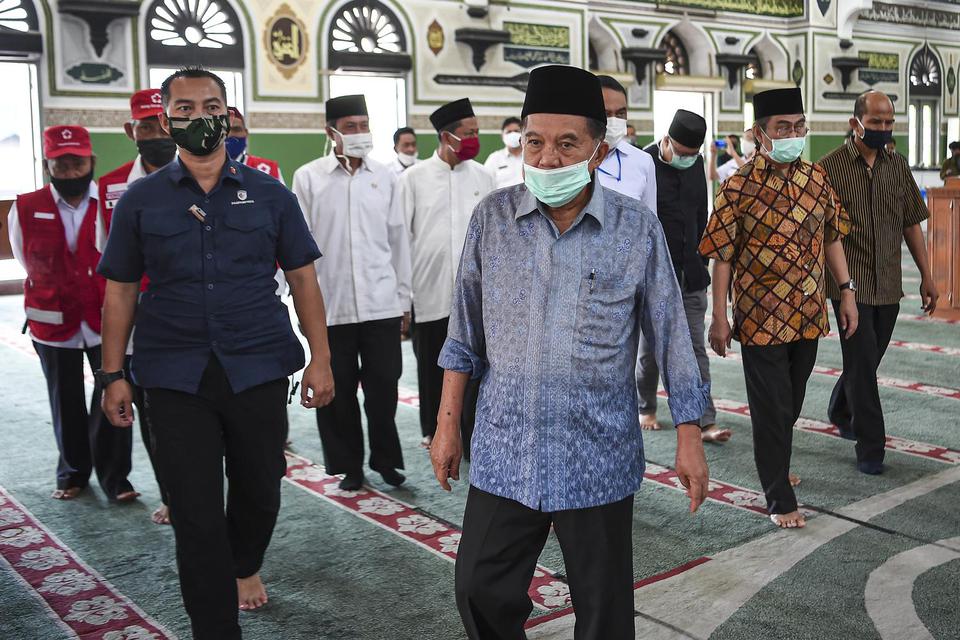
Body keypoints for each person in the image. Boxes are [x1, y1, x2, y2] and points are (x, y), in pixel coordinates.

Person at [430, 65, 711, 640]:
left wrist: (688, 435)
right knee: (479, 588)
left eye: (566, 144)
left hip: (596, 453)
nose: (548, 159)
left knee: (604, 613)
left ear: (598, 149)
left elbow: (670, 332)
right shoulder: (493, 219)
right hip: (508, 448)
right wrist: (447, 424)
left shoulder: (635, 228)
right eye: (535, 142)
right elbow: (463, 333)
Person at [97, 67, 335, 637]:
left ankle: (245, 563)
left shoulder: (271, 194)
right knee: (196, 513)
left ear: (228, 115)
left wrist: (321, 359)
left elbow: (303, 280)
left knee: (261, 486)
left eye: (210, 106)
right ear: (163, 117)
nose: (197, 117)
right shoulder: (140, 202)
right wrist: (112, 374)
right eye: (183, 108)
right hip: (174, 373)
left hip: (256, 363)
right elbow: (121, 290)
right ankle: (214, 627)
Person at [700, 87, 858, 530]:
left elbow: (832, 237)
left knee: (790, 401)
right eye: (783, 128)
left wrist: (846, 291)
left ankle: (776, 459)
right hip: (760, 317)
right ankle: (778, 497)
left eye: (799, 126)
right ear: (759, 133)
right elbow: (722, 256)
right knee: (770, 406)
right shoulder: (737, 187)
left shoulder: (816, 178)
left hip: (808, 312)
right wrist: (719, 315)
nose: (793, 134)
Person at [7, 125, 137, 503]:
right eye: (60, 164)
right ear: (47, 165)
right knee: (63, 400)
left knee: (115, 396)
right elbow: (23, 257)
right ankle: (73, 473)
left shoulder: (113, 202)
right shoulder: (26, 206)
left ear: (91, 161)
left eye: (77, 162)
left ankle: (116, 478)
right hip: (52, 322)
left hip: (105, 321)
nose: (69, 171)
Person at [292, 94, 411, 491]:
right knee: (335, 393)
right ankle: (349, 465)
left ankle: (386, 461)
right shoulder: (309, 177)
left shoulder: (386, 176)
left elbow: (399, 240)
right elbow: (299, 246)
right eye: (352, 126)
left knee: (383, 390)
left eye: (365, 125)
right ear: (332, 132)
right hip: (331, 305)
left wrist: (403, 298)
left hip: (381, 304)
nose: (361, 133)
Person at [818, 90, 938, 475]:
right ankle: (871, 448)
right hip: (848, 286)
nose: (883, 130)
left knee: (866, 360)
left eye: (889, 123)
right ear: (856, 123)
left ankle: (839, 407)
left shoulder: (897, 165)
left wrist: (927, 275)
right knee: (864, 361)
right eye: (875, 123)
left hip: (888, 281)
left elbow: (910, 223)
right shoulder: (829, 168)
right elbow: (822, 233)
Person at [97, 87, 177, 524]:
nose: (153, 132)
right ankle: (171, 492)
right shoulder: (109, 187)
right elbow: (107, 263)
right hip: (138, 323)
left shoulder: (203, 178)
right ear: (132, 130)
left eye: (157, 122)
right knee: (152, 415)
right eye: (144, 125)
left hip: (186, 315)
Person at [398, 98, 494, 451]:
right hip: (429, 289)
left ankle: (470, 435)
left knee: (474, 367)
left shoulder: (484, 176)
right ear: (446, 137)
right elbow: (401, 237)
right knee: (432, 366)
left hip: (476, 292)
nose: (474, 139)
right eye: (468, 133)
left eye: (477, 133)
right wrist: (403, 296)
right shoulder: (413, 179)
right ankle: (432, 430)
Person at [638, 111, 730, 443]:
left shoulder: (695, 166)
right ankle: (646, 405)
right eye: (683, 152)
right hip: (653, 277)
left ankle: (705, 420)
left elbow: (701, 216)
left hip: (691, 273)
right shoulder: (643, 164)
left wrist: (702, 260)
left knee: (694, 348)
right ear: (667, 140)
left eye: (694, 154)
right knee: (649, 353)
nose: (688, 159)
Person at [595, 75, 657, 214]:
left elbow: (650, 221)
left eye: (620, 113)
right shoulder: (570, 160)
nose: (614, 120)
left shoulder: (642, 161)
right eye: (606, 114)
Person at [226, 106, 284, 183]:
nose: (229, 135)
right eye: (224, 130)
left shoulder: (268, 169)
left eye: (236, 129)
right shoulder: (206, 171)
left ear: (246, 133)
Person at [483, 116, 523, 188]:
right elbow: (484, 184)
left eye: (516, 131)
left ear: (523, 133)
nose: (513, 134)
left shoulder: (532, 157)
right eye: (509, 132)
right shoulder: (494, 159)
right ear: (502, 136)